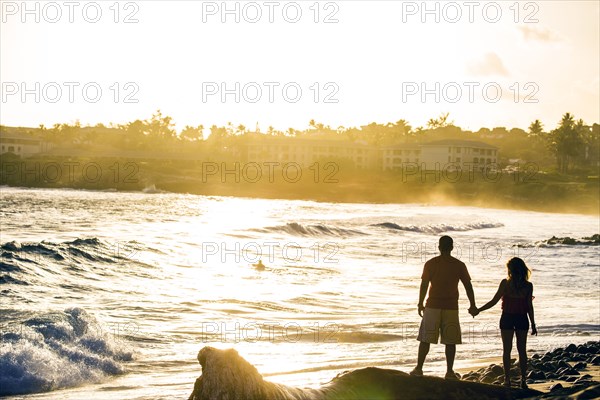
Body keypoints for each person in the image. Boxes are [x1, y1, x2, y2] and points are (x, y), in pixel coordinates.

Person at [410, 236, 477, 379]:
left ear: (439, 247)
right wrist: (472, 304)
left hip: (432, 305)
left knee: (425, 339)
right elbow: (468, 286)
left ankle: (419, 368)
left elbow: (424, 285)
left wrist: (420, 303)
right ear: (452, 247)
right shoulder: (459, 265)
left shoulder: (431, 263)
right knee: (450, 340)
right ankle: (449, 371)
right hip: (451, 306)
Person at [476, 257, 537, 388]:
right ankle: (523, 380)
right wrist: (533, 324)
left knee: (507, 350)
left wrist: (479, 310)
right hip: (522, 318)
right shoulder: (528, 286)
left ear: (510, 270)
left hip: (507, 318)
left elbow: (493, 301)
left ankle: (507, 380)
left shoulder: (505, 283)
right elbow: (529, 307)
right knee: (522, 350)